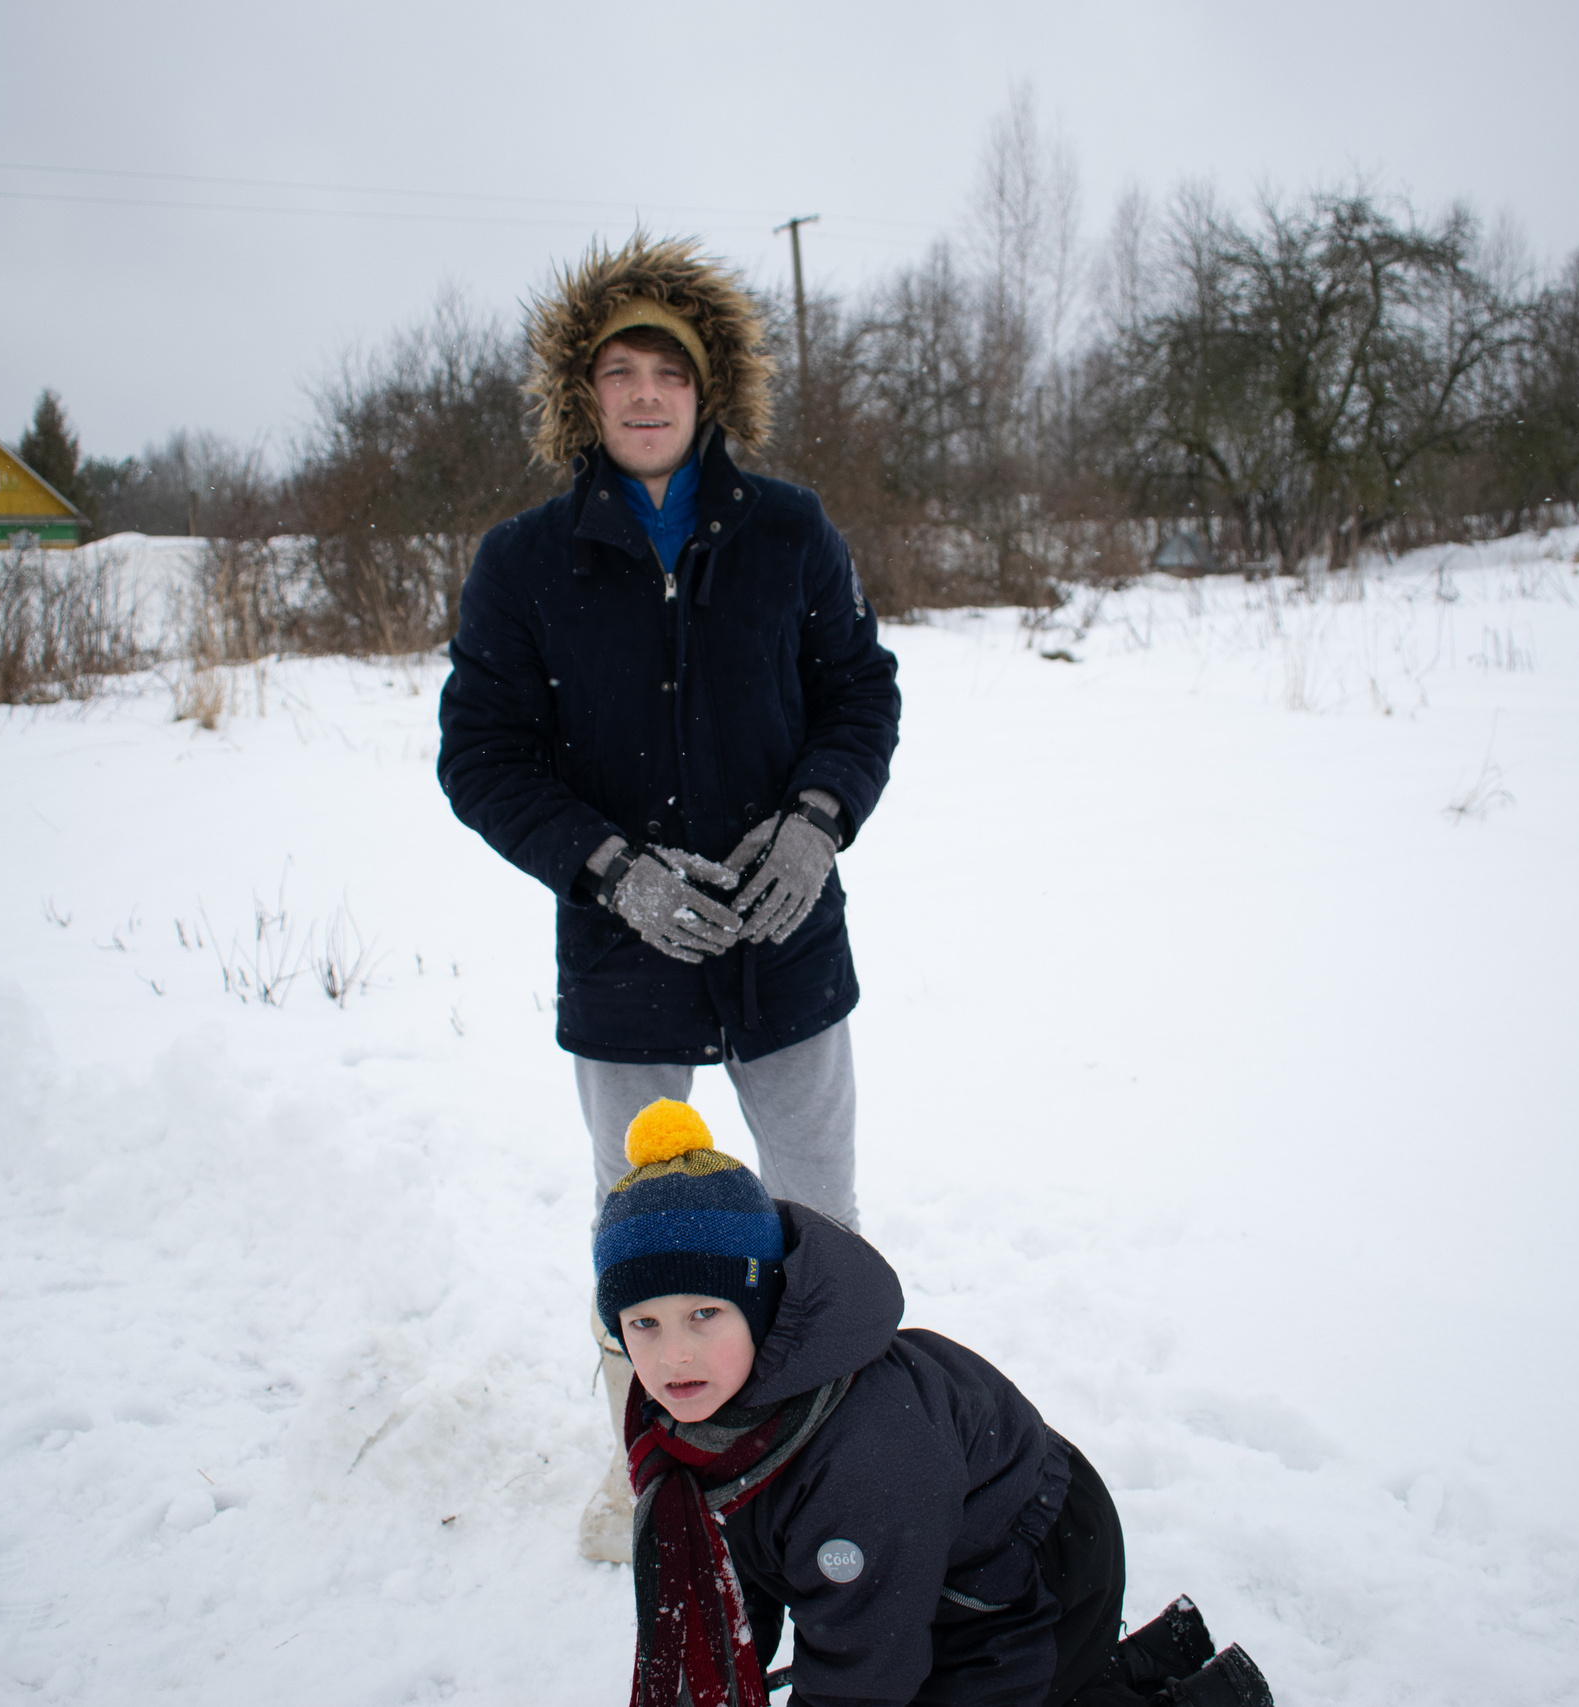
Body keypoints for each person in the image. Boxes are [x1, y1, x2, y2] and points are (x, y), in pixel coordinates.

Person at [436, 234, 901, 1558]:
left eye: (669, 372)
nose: (645, 395)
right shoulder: (526, 561)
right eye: (620, 373)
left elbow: (859, 696)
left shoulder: (789, 532)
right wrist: (611, 868)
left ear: (710, 391)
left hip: (784, 942)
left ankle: (830, 1461)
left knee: (814, 1219)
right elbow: (481, 755)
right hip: (622, 954)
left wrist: (816, 822)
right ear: (583, 395)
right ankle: (657, 1474)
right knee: (641, 1232)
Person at [596, 1100, 1274, 1707]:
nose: (673, 1354)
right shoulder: (709, 1416)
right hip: (924, 1565)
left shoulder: (859, 1459)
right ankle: (1152, 1653)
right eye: (644, 1323)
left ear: (764, 1304)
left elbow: (864, 1669)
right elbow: (745, 1570)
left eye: (704, 1313)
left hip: (1027, 1570)